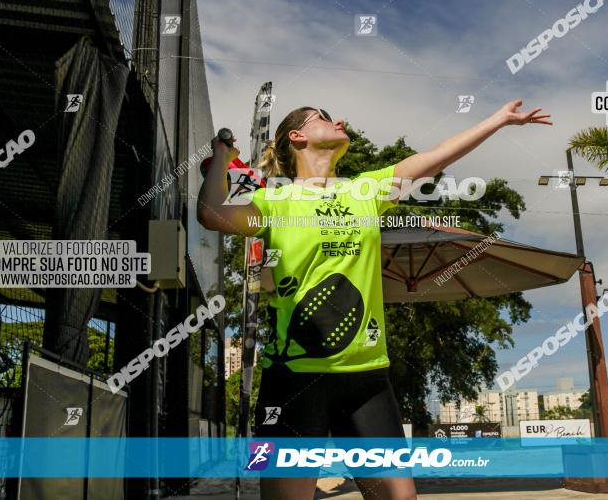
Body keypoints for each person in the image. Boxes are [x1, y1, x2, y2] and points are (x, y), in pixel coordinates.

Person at [197, 101, 551, 500]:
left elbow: (434, 158)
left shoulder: (365, 190)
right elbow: (212, 214)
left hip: (367, 378)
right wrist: (220, 159)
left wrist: (499, 120)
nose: (340, 122)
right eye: (324, 119)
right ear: (296, 137)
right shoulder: (273, 201)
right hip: (294, 378)